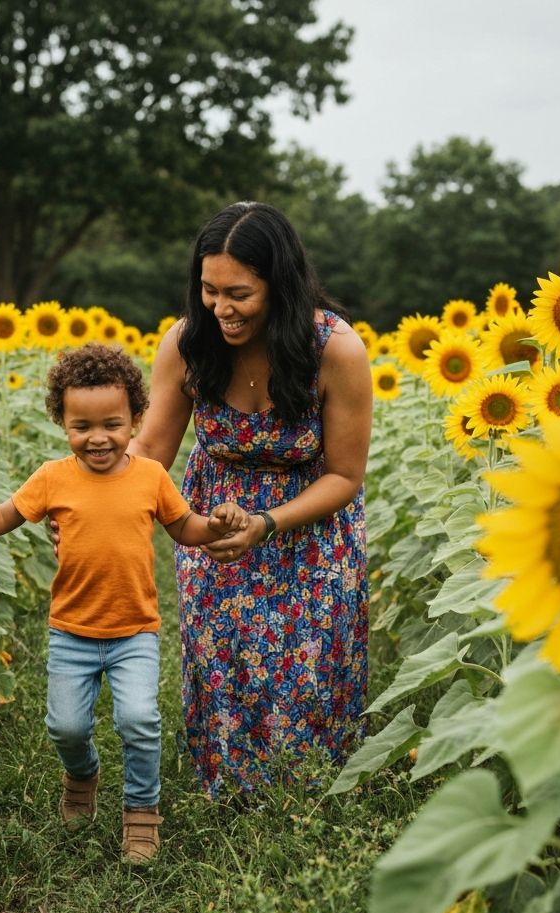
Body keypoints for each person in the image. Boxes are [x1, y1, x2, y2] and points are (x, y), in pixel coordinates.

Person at [0, 344, 249, 862]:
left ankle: (141, 813)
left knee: (139, 719)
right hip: (72, 630)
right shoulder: (53, 478)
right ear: (62, 422)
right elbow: (6, 514)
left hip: (134, 630)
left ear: (136, 419)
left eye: (113, 424)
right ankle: (82, 774)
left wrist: (218, 525)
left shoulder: (151, 477)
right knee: (66, 727)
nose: (98, 438)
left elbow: (185, 528)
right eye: (82, 426)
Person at [129, 200, 373, 797]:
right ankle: (231, 783)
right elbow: (151, 449)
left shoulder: (335, 350)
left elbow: (344, 475)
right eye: (209, 291)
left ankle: (308, 785)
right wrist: (91, 501)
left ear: (278, 283)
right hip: (215, 525)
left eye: (238, 293)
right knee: (224, 653)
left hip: (312, 525)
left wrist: (267, 522)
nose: (221, 309)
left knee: (307, 663)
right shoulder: (188, 343)